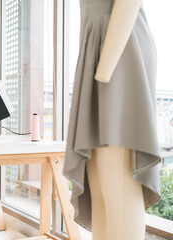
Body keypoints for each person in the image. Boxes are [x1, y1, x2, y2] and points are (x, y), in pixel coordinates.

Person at [64, 0, 161, 239]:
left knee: (118, 182)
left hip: (119, 49)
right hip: (96, 49)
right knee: (99, 185)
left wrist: (104, 68)